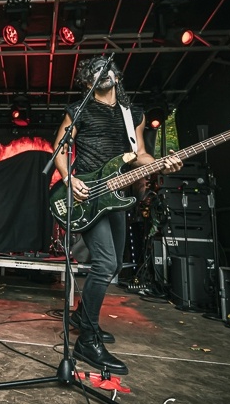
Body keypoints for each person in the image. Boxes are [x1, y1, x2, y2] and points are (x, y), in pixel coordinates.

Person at [53, 57, 183, 375]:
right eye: (95, 70)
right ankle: (87, 340)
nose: (103, 72)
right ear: (88, 82)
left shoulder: (132, 113)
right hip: (88, 195)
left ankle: (83, 316)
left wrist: (162, 163)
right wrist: (70, 179)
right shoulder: (79, 110)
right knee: (106, 263)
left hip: (117, 195)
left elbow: (140, 155)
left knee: (111, 266)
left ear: (117, 76)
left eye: (106, 67)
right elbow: (58, 149)